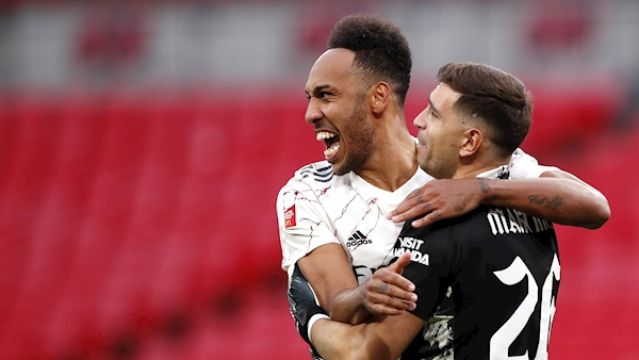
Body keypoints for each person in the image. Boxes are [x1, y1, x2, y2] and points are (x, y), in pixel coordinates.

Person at [277, 15, 609, 358]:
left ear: (377, 98)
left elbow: (594, 205)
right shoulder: (306, 192)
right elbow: (338, 302)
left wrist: (478, 190)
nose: (311, 113)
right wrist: (363, 296)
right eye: (309, 98)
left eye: (326, 95)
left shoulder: (455, 177)